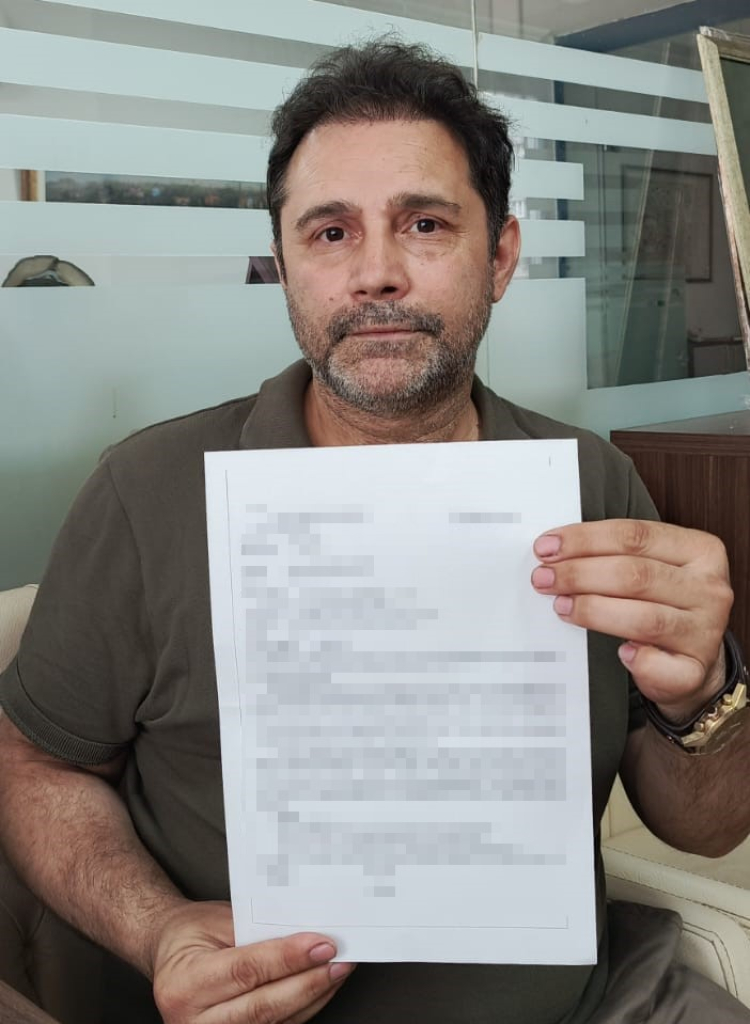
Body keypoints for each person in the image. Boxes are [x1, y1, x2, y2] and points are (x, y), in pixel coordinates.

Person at [1, 38, 749, 1024]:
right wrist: (158, 929)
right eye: (331, 232)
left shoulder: (591, 480)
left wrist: (704, 691)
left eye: (425, 223)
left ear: (501, 256)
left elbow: (705, 828)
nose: (376, 274)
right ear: (284, 266)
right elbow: (35, 763)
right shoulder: (147, 490)